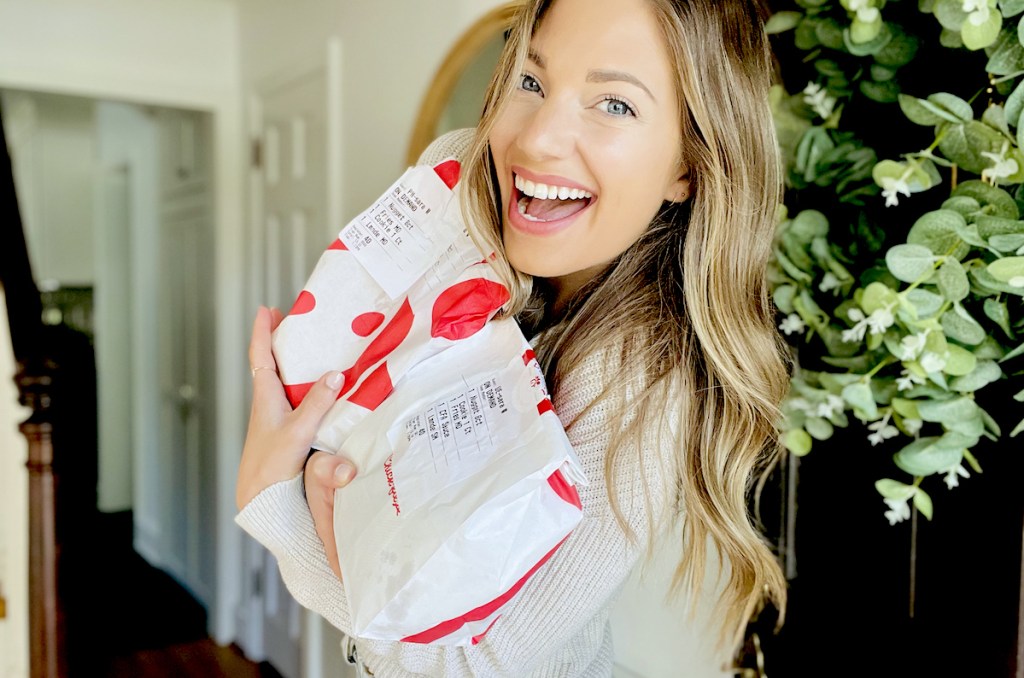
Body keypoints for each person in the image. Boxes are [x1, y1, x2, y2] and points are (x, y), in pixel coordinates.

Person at [235, 0, 789, 674]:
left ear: (689, 165)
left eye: (613, 104)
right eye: (531, 81)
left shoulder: (635, 381)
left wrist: (279, 514)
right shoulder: (480, 247)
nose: (535, 140)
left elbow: (475, 668)